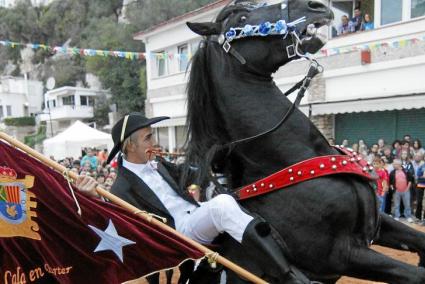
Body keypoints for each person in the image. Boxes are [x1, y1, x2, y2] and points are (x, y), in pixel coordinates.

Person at [76, 113, 305, 284]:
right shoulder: (119, 189)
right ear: (129, 146)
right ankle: (287, 275)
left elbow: (189, 172)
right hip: (179, 235)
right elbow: (111, 221)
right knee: (222, 206)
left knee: (234, 197)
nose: (153, 143)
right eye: (147, 139)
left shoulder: (158, 164)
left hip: (193, 214)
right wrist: (89, 198)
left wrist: (218, 153)